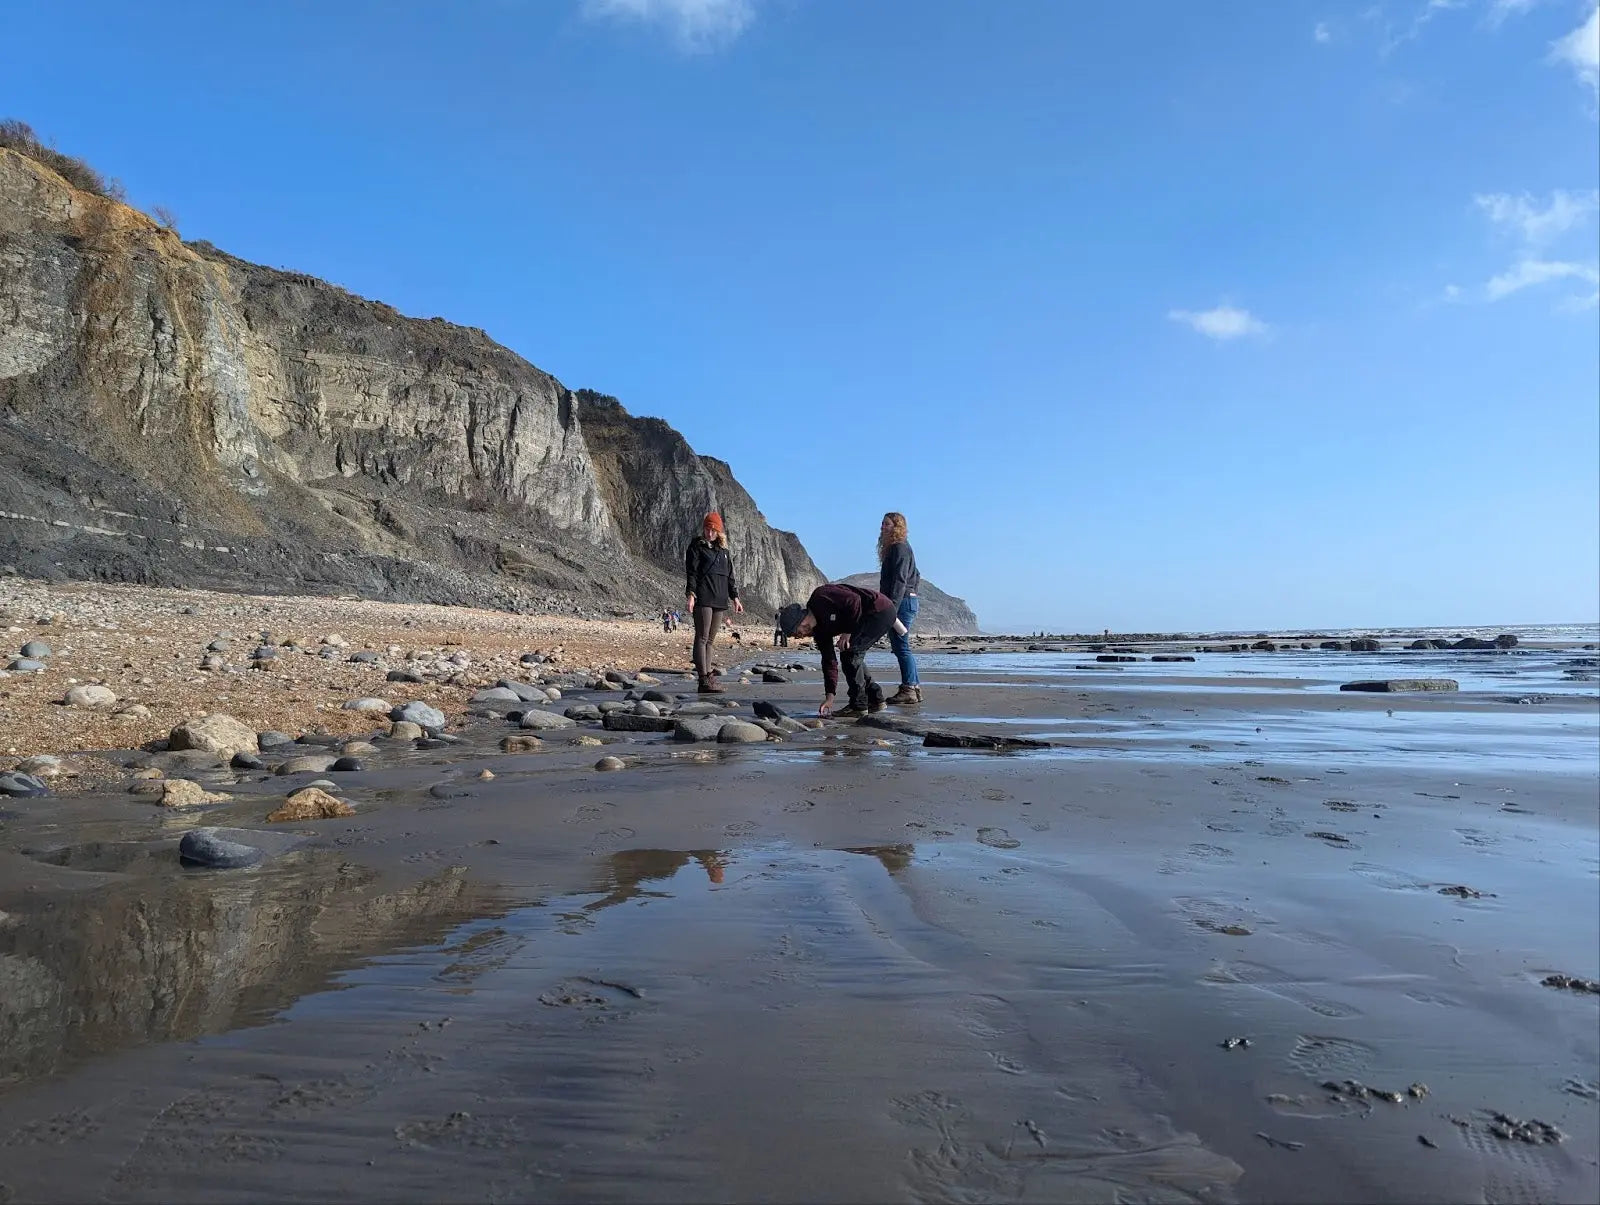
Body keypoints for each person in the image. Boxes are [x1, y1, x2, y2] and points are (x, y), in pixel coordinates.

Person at [778, 583, 902, 718]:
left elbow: (854, 600)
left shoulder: (820, 596)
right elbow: (829, 661)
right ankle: (875, 699)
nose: (799, 637)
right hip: (864, 619)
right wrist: (830, 696)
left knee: (850, 653)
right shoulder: (819, 633)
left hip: (879, 610)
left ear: (801, 622)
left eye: (796, 633)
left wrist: (847, 632)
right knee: (851, 653)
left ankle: (858, 706)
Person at [684, 511, 742, 693]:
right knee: (701, 638)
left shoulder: (724, 552)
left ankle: (709, 677)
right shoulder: (696, 547)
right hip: (703, 597)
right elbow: (691, 573)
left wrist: (735, 598)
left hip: (720, 599)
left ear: (718, 531)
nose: (709, 532)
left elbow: (729, 577)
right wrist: (691, 595)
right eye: (707, 529)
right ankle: (703, 679)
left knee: (710, 640)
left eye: (713, 529)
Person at [877, 511, 922, 705]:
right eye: (882, 524)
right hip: (906, 599)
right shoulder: (899, 548)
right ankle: (914, 688)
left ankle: (909, 688)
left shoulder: (900, 548)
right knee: (900, 645)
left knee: (901, 645)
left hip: (902, 601)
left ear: (897, 527)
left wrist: (891, 606)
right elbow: (917, 575)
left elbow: (900, 579)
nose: (882, 527)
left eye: (887, 524)